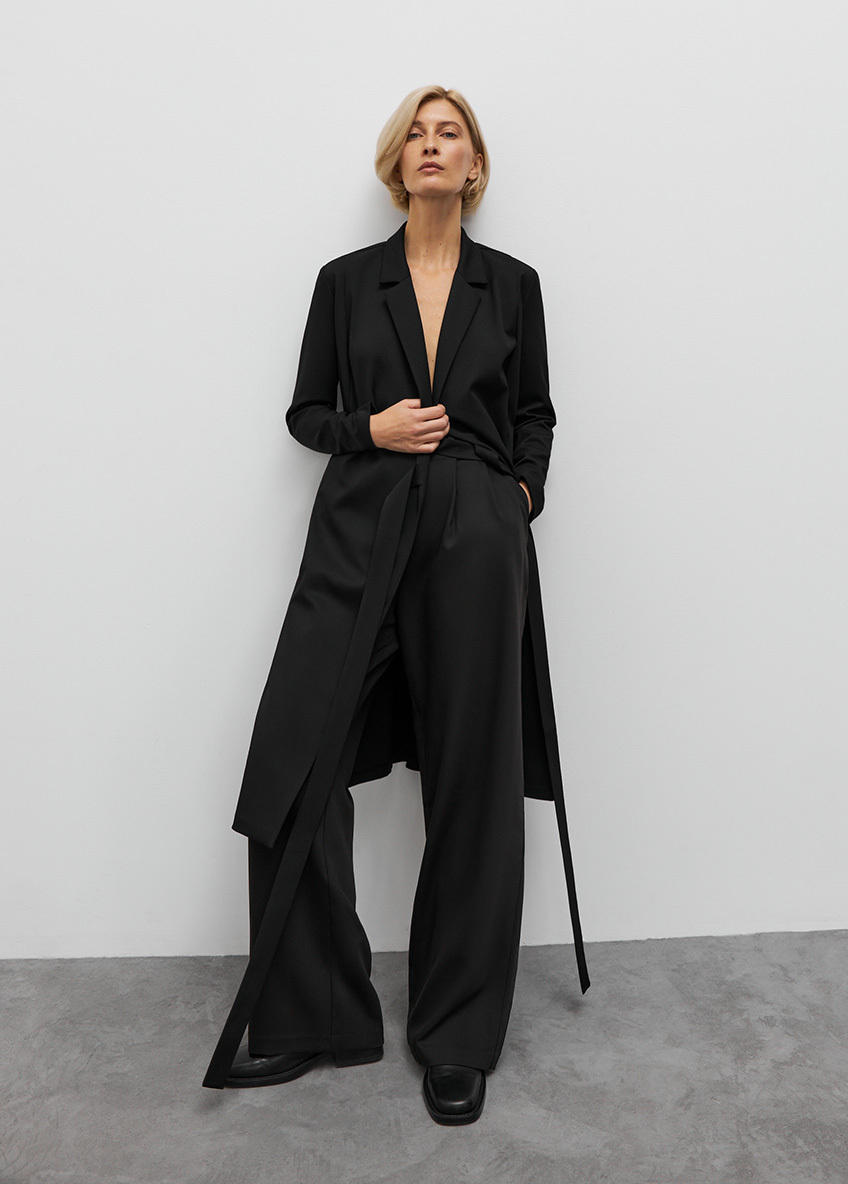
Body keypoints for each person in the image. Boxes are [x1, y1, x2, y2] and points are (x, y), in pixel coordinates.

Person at [202, 85, 589, 1125]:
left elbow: (537, 412)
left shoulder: (512, 286)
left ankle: (456, 1035)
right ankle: (317, 1013)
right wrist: (367, 430)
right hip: (361, 516)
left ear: (473, 166)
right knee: (293, 758)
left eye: (448, 133)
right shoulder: (345, 282)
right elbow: (305, 411)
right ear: (395, 163)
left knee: (473, 775)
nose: (430, 145)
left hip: (475, 530)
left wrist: (517, 495)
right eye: (415, 133)